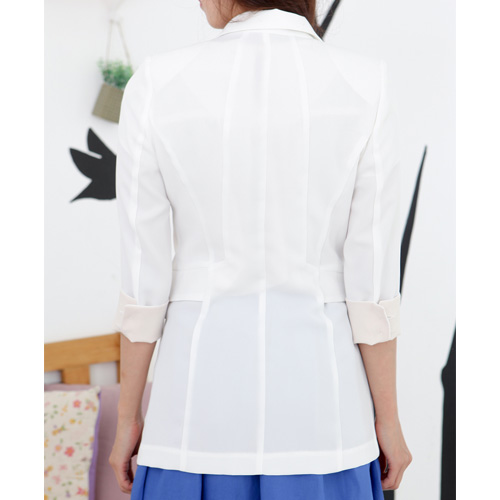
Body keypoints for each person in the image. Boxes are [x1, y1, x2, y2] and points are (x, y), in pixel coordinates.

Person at [109, 0, 413, 498]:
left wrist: (128, 418)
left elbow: (144, 282)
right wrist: (390, 420)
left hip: (191, 418)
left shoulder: (156, 83)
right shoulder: (366, 84)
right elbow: (372, 282)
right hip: (327, 418)